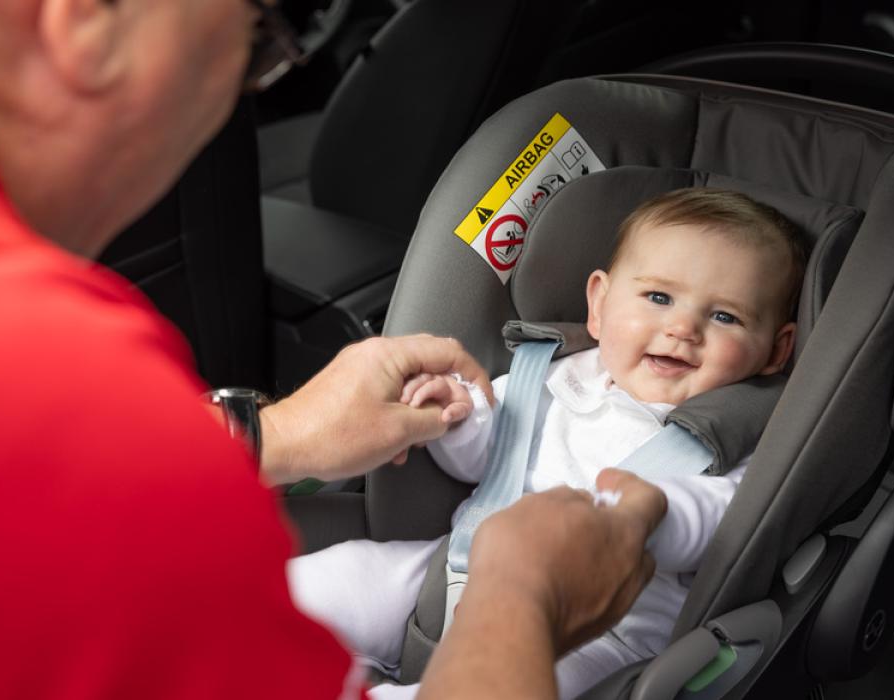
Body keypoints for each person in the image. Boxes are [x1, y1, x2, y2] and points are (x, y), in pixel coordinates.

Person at [0, 0, 669, 698]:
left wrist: (270, 437)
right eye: (255, 49)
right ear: (84, 22)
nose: (238, 92)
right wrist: (519, 602)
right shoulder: (53, 378)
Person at [289, 188, 807, 699]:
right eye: (658, 297)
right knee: (336, 577)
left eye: (725, 317)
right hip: (461, 565)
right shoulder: (554, 373)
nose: (682, 328)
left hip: (604, 631)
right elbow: (486, 458)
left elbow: (716, 519)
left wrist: (647, 518)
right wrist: (455, 415)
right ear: (599, 304)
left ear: (774, 350)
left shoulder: (741, 440)